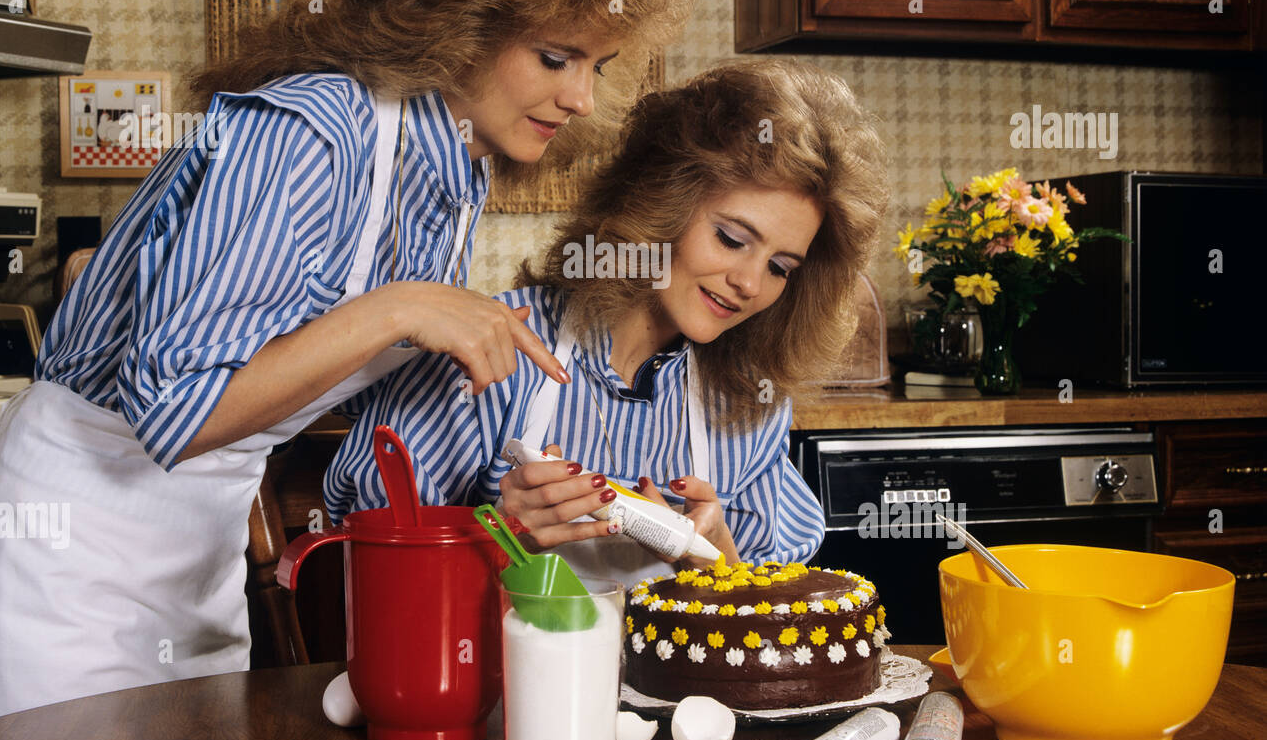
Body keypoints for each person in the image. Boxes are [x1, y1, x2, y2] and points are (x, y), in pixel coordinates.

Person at [0, 0, 695, 724]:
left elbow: (324, 384)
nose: (582, 97)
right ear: (459, 15)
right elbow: (174, 413)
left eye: (599, 66)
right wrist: (400, 308)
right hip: (68, 552)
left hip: (198, 553)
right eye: (556, 56)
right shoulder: (315, 131)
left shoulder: (449, 174)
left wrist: (571, 486)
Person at [324, 59, 889, 585]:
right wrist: (498, 537)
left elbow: (768, 621)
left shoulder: (745, 400)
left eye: (780, 268)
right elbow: (373, 568)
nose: (749, 283)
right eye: (732, 239)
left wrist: (717, 558)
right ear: (659, 205)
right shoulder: (498, 350)